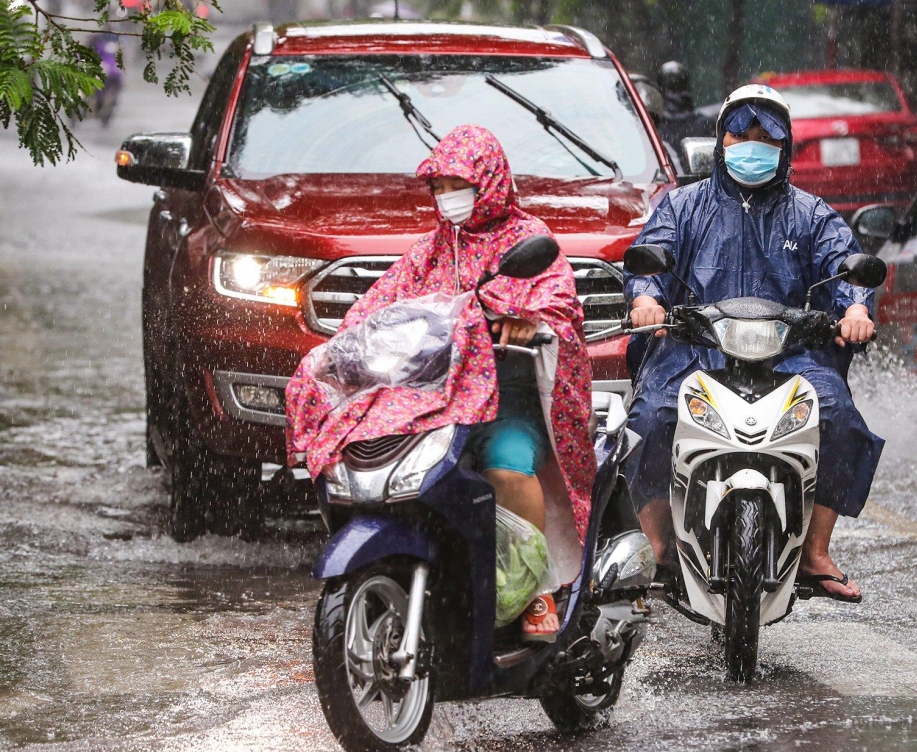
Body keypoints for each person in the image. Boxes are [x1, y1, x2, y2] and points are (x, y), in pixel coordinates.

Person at [288, 125, 597, 639]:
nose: (448, 197)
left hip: (507, 398)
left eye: (459, 184)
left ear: (490, 180)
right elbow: (379, 306)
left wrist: (527, 319)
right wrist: (342, 350)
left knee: (508, 467)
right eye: (439, 186)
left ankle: (537, 594)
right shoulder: (431, 249)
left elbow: (561, 307)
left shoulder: (527, 240)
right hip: (433, 401)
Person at [623, 85, 884, 603]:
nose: (752, 144)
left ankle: (814, 552)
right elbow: (647, 258)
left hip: (790, 354)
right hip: (693, 349)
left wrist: (855, 308)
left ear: (785, 148)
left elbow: (845, 264)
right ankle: (659, 547)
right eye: (742, 133)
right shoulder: (682, 205)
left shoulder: (811, 215)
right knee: (649, 419)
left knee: (840, 419)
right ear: (721, 139)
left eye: (767, 136)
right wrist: (645, 300)